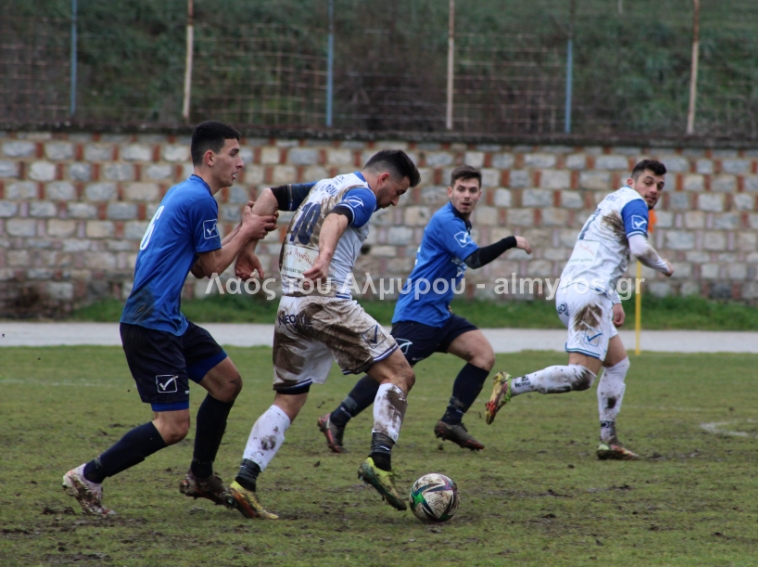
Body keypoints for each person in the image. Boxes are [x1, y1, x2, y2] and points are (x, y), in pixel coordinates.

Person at [62, 121, 277, 516]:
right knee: (173, 426)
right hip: (150, 324)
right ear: (210, 158)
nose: (241, 163)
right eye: (234, 154)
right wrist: (245, 231)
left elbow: (197, 266)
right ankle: (88, 476)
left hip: (167, 319)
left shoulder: (186, 194)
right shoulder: (199, 200)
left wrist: (242, 235)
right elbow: (212, 267)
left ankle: (200, 477)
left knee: (227, 383)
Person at [227, 150, 421, 519]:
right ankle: (379, 462)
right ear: (382, 179)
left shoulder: (323, 185)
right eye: (398, 191)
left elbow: (268, 195)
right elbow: (336, 218)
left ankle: (244, 481)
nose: (395, 201)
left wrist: (247, 246)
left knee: (289, 399)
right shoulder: (362, 193)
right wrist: (325, 256)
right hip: (325, 300)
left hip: (291, 308)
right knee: (400, 374)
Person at [317, 165, 532, 453]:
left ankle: (451, 421)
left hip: (439, 314)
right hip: (417, 314)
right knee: (391, 372)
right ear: (450, 192)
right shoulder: (447, 221)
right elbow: (475, 259)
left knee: (482, 355)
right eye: (461, 189)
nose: (466, 195)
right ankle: (337, 418)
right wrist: (511, 241)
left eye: (472, 190)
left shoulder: (459, 223)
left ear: (479, 195)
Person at [484, 159, 674, 460]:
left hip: (576, 291)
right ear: (632, 182)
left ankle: (608, 439)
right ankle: (511, 386)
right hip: (588, 297)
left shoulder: (611, 201)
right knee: (583, 376)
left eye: (660, 186)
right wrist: (665, 266)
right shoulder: (635, 203)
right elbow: (639, 249)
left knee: (618, 364)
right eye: (648, 182)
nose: (653, 191)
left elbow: (600, 254)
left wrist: (613, 299)